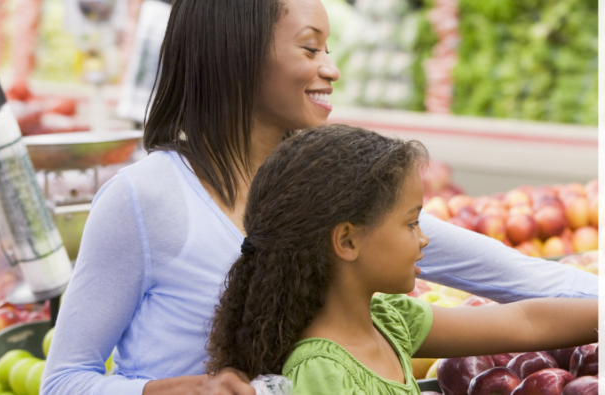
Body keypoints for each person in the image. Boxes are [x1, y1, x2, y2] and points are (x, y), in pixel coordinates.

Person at [41, 0, 597, 394]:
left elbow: (522, 285)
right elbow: (64, 380)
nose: (331, 68)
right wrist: (165, 390)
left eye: (328, 48)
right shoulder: (145, 198)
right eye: (310, 49)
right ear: (237, 54)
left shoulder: (328, 188)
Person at [206, 125, 598, 394]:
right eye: (411, 223)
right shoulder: (321, 371)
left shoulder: (392, 320)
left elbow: (524, 322)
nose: (424, 238)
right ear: (346, 240)